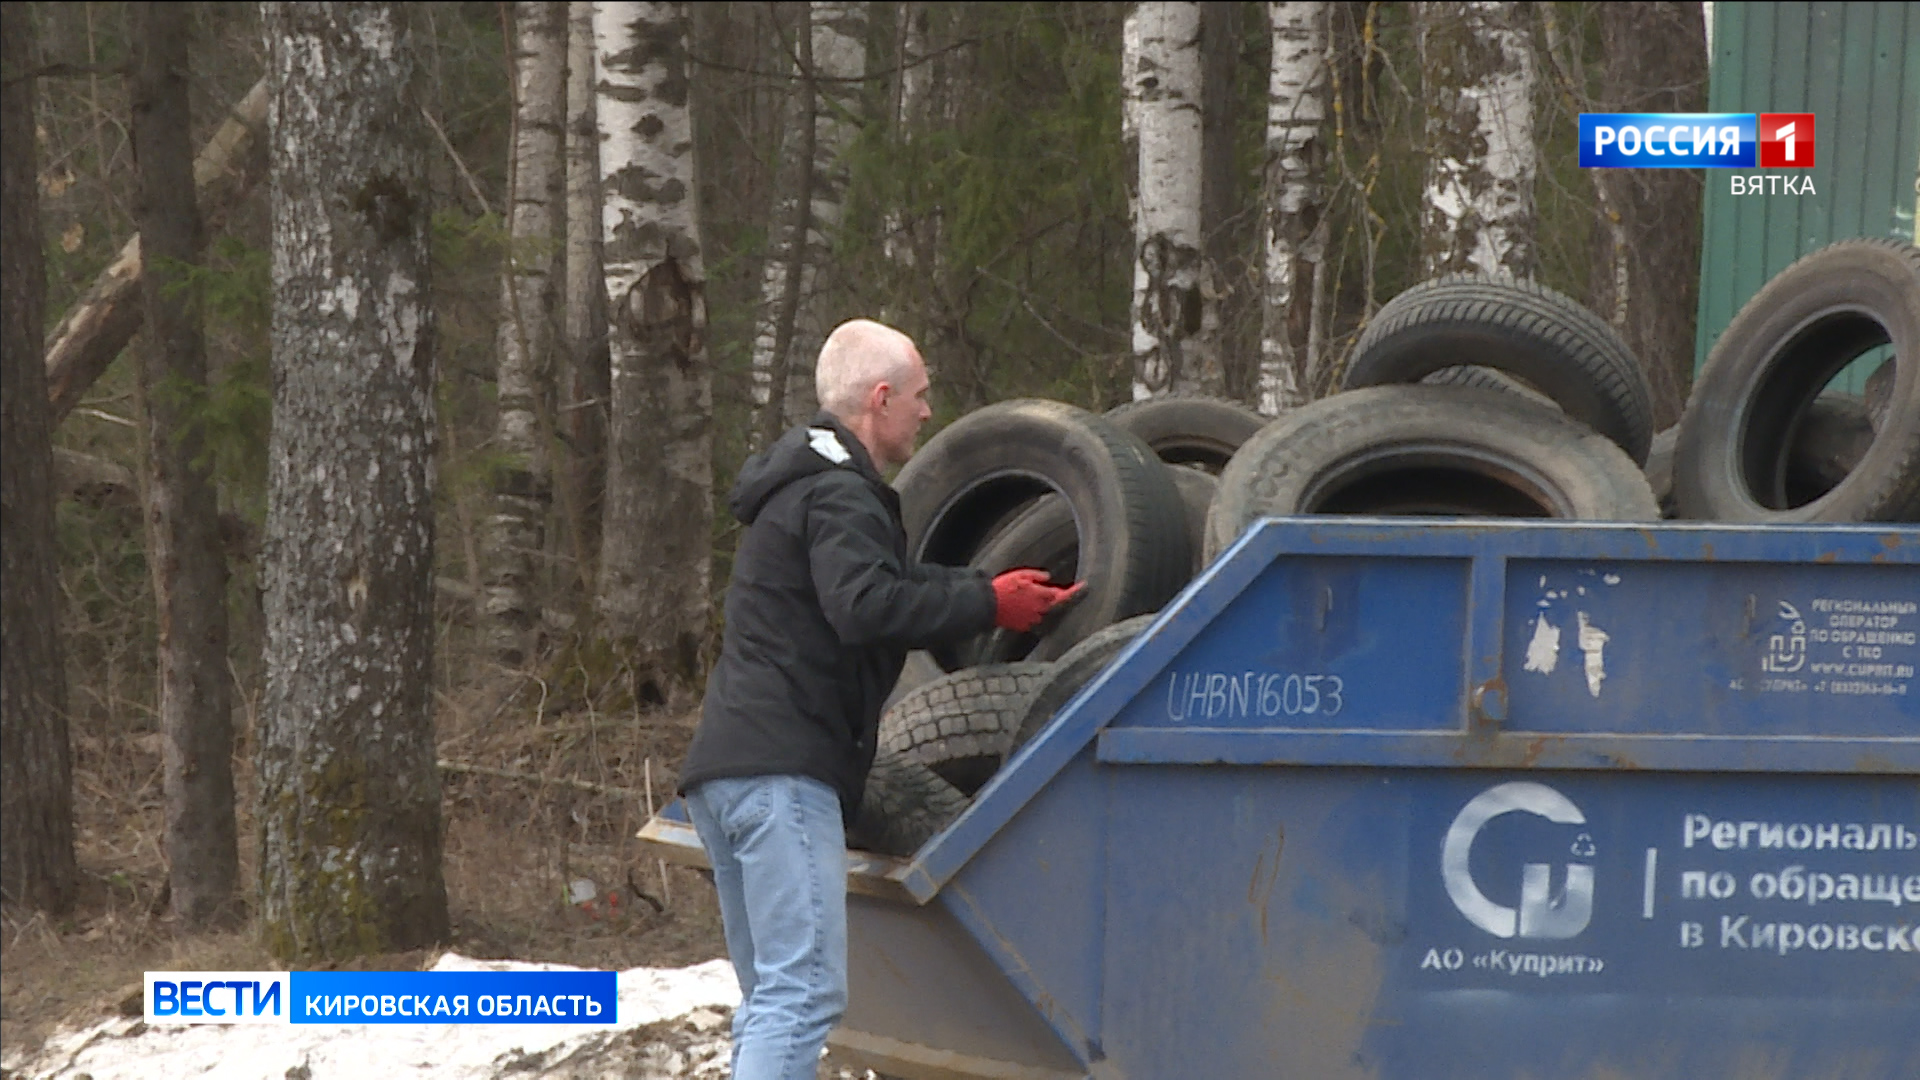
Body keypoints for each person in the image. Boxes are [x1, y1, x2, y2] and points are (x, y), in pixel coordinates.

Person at [677, 318, 1081, 1079]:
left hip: (728, 773)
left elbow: (881, 586)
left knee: (771, 998)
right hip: (782, 778)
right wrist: (985, 607)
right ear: (882, 397)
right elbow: (864, 604)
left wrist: (982, 594)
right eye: (922, 397)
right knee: (802, 996)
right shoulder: (839, 493)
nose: (930, 414)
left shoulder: (799, 488)